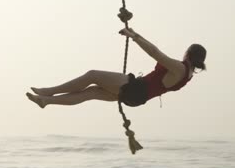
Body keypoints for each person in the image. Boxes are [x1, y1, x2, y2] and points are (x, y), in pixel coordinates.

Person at [26, 27, 207, 108]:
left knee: (92, 75)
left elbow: (154, 52)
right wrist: (135, 34)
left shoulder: (180, 68)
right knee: (90, 93)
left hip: (136, 87)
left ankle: (49, 91)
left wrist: (133, 37)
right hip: (137, 98)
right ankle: (46, 101)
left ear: (188, 54)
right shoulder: (187, 75)